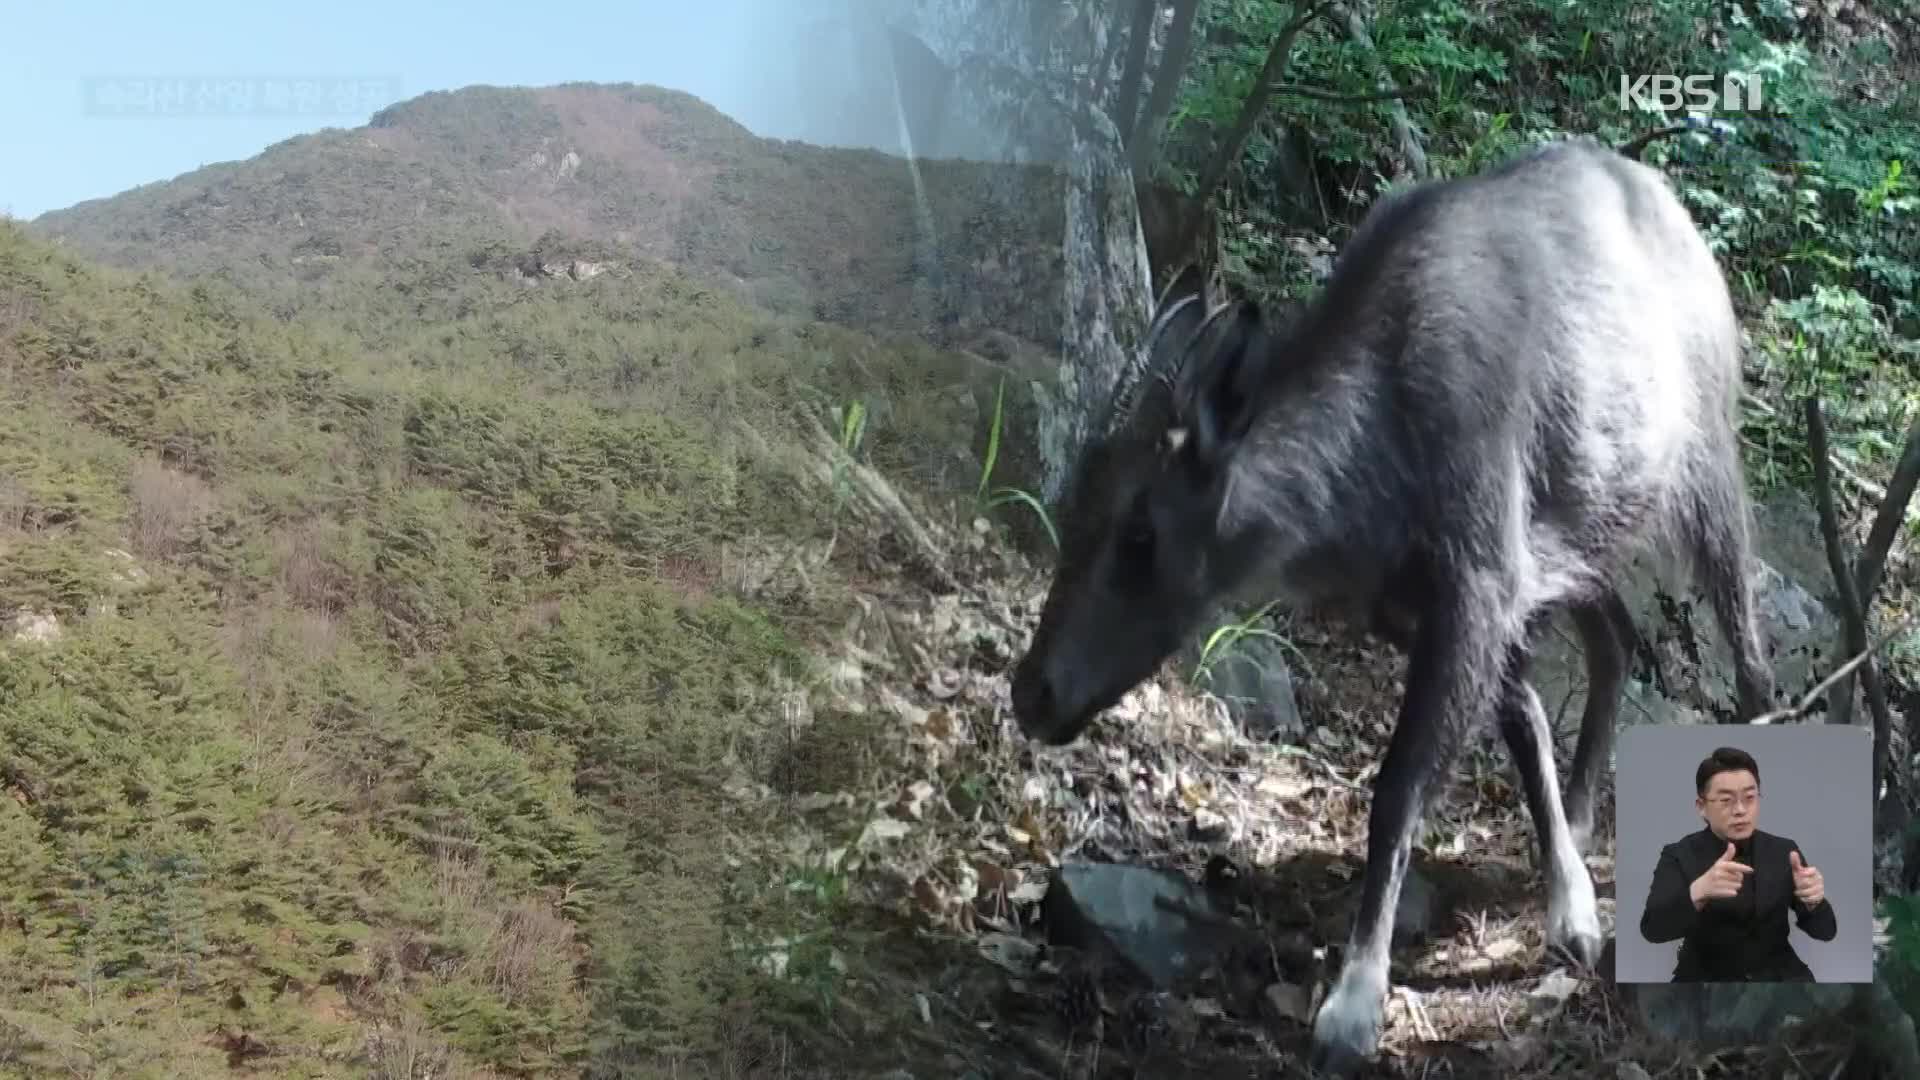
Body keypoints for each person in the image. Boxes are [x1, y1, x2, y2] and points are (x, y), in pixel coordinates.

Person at [1638, 746, 1836, 981]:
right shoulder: (1678, 855)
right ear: (1701, 807)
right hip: (1706, 985)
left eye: (1750, 798)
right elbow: (1652, 930)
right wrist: (1698, 892)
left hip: (1780, 981)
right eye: (1726, 800)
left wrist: (1814, 902)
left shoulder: (1784, 851)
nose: (1740, 810)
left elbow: (1826, 932)